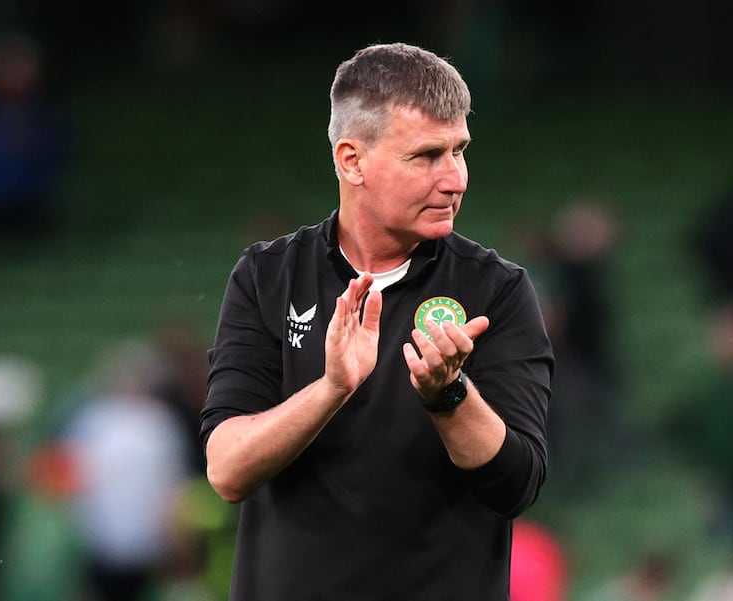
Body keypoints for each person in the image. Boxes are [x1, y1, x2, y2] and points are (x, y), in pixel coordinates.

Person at [200, 42, 554, 600]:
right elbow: (227, 470)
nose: (456, 178)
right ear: (351, 160)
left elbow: (516, 485)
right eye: (426, 156)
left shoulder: (497, 290)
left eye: (460, 151)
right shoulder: (267, 277)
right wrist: (332, 388)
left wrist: (448, 394)